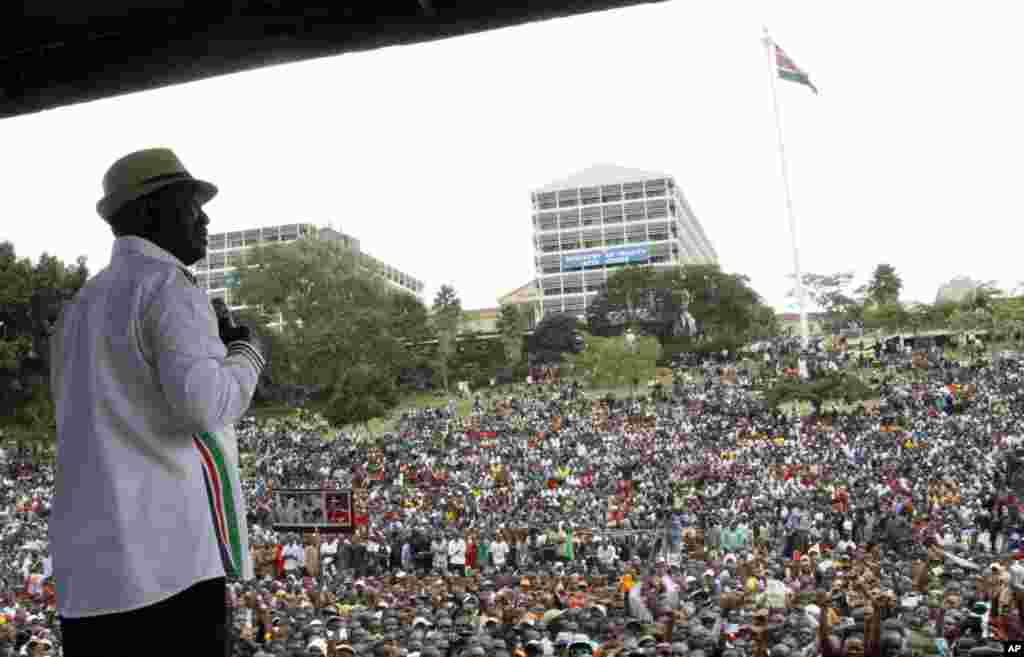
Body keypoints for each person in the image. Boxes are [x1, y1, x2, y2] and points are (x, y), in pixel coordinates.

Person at [49, 148, 266, 657]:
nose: (206, 217)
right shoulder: (167, 285)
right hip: (170, 567)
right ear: (152, 212)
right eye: (192, 204)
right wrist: (247, 352)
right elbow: (206, 407)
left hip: (91, 579)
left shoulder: (78, 308)